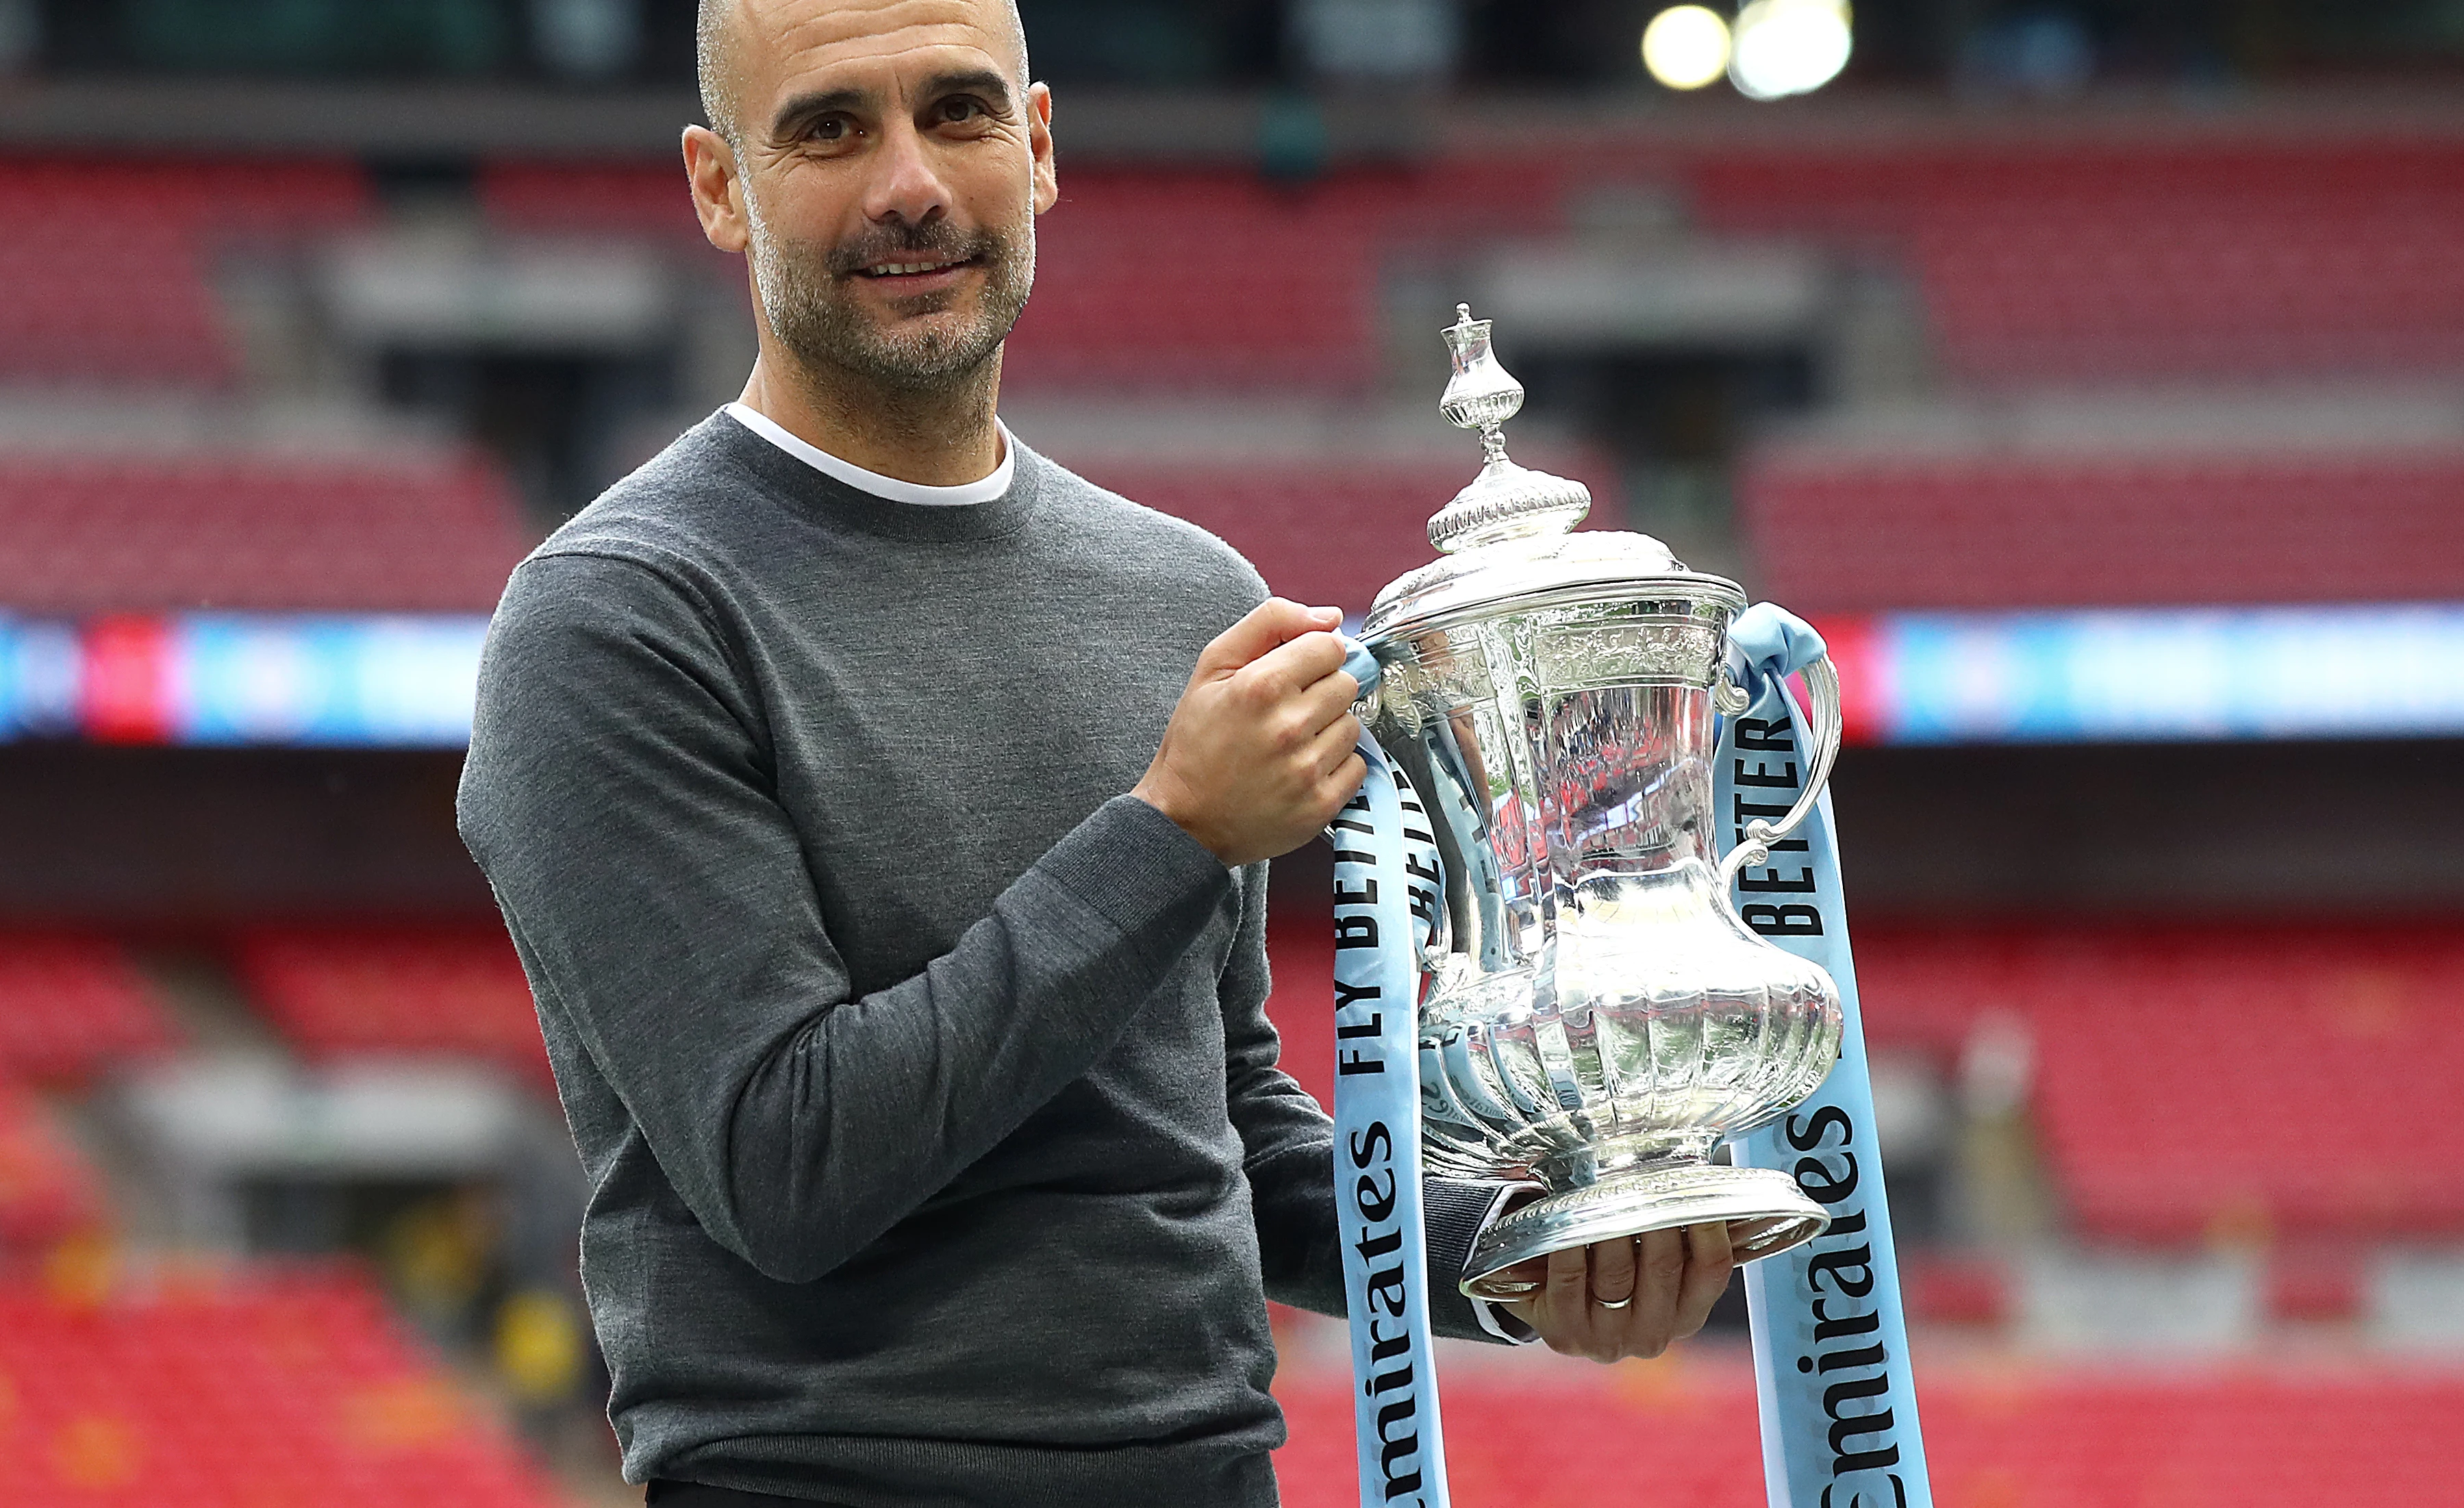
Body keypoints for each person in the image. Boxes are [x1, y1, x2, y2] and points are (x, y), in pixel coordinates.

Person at [455, 1, 1735, 1503]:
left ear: (1040, 146)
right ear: (718, 184)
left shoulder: (1182, 594)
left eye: (959, 112)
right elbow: (785, 1168)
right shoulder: (617, 617)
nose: (911, 184)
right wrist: (1171, 833)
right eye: (829, 128)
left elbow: (1216, 1140)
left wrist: (1519, 1259)